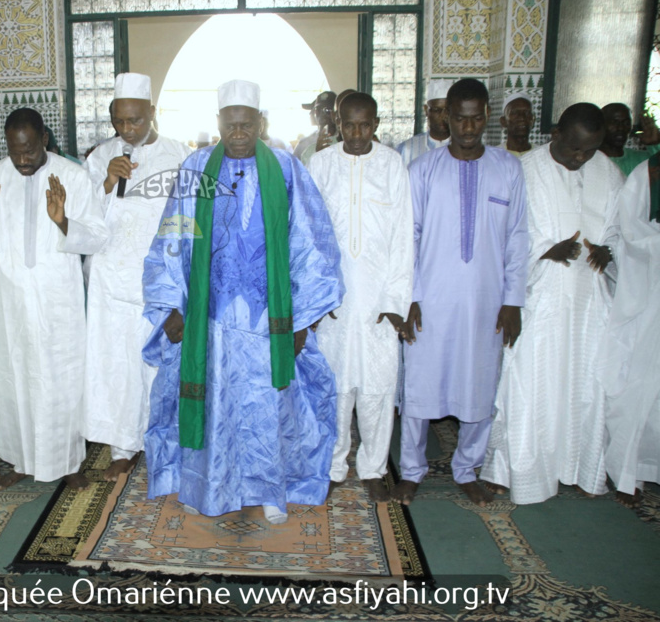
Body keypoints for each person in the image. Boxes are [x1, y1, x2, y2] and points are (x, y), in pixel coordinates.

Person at [143, 80, 344, 524]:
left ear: (260, 123)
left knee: (268, 405)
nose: (238, 133)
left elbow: (310, 241)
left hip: (266, 318)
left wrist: (302, 320)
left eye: (246, 125)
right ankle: (208, 488)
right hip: (210, 318)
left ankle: (270, 490)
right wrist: (172, 305)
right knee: (215, 405)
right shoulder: (196, 167)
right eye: (230, 125)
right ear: (218, 123)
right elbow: (173, 234)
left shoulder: (287, 169)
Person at [394, 78, 529, 507]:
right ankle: (411, 470)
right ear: (446, 117)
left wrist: (513, 300)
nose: (468, 127)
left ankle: (467, 468)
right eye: (459, 118)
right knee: (420, 383)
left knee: (480, 383)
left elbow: (518, 237)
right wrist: (409, 296)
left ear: (487, 116)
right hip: (430, 299)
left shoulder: (508, 169)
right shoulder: (422, 170)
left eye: (475, 118)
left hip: (487, 300)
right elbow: (408, 238)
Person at [482, 103, 625, 504]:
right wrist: (546, 250)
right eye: (574, 148)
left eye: (589, 151)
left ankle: (579, 467)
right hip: (541, 298)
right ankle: (514, 470)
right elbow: (502, 234)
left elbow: (620, 229)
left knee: (587, 385)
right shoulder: (524, 170)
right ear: (555, 134)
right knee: (530, 384)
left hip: (589, 302)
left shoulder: (609, 173)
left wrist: (609, 251)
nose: (580, 158)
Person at [0, 107, 108, 491]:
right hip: (13, 300)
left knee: (61, 380)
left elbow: (97, 237)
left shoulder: (73, 177)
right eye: (15, 152)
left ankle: (67, 461)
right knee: (16, 379)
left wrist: (63, 220)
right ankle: (21, 459)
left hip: (58, 299)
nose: (23, 160)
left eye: (29, 150)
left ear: (44, 139)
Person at [82, 72, 191, 481]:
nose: (127, 130)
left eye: (136, 120)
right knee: (117, 366)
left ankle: (166, 445)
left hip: (160, 281)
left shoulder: (179, 156)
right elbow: (80, 219)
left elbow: (190, 222)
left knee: (159, 367)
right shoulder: (100, 157)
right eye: (120, 122)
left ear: (153, 113)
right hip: (111, 280)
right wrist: (107, 181)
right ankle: (123, 448)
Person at [307, 92, 413, 503]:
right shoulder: (321, 164)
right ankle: (334, 465)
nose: (355, 133)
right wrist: (319, 296)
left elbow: (402, 236)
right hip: (335, 301)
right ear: (337, 123)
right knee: (334, 387)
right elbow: (310, 235)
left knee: (377, 388)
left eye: (364, 125)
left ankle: (373, 468)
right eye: (348, 125)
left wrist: (395, 301)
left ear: (376, 124)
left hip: (379, 301)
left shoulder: (391, 164)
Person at [599, 152, 660, 508]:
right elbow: (631, 235)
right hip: (646, 299)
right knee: (637, 384)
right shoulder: (645, 175)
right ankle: (627, 472)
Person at [396, 79, 452, 167]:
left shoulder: (462, 148)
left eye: (447, 110)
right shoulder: (407, 149)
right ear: (426, 110)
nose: (443, 116)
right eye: (437, 110)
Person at [598, 103, 660, 176]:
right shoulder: (589, 158)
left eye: (626, 123)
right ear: (600, 125)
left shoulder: (641, 159)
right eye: (614, 122)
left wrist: (655, 144)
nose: (621, 128)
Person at [293, 90, 338, 166]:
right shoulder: (304, 144)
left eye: (327, 110)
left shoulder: (343, 141)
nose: (322, 114)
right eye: (318, 110)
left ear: (336, 113)